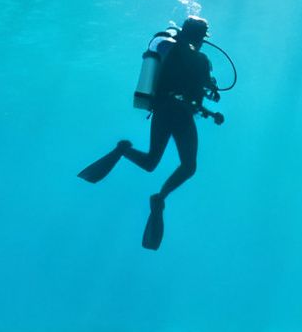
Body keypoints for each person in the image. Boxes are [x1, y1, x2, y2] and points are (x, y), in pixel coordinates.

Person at [78, 15, 223, 249]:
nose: (202, 41)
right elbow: (196, 85)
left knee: (153, 163)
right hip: (175, 113)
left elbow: (194, 89)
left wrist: (209, 102)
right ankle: (158, 196)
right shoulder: (188, 55)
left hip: (169, 111)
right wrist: (208, 89)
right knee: (184, 166)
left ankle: (125, 154)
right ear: (198, 36)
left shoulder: (174, 50)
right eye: (201, 36)